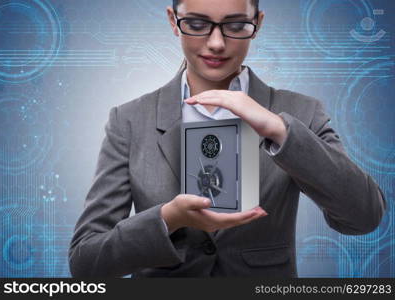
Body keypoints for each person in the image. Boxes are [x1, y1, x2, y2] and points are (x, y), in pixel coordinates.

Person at [68, 0, 387, 277]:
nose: (217, 43)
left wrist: (278, 130)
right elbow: (86, 261)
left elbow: (364, 217)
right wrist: (169, 219)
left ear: (257, 23)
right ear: (172, 21)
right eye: (196, 23)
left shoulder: (299, 112)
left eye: (236, 25)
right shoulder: (129, 120)